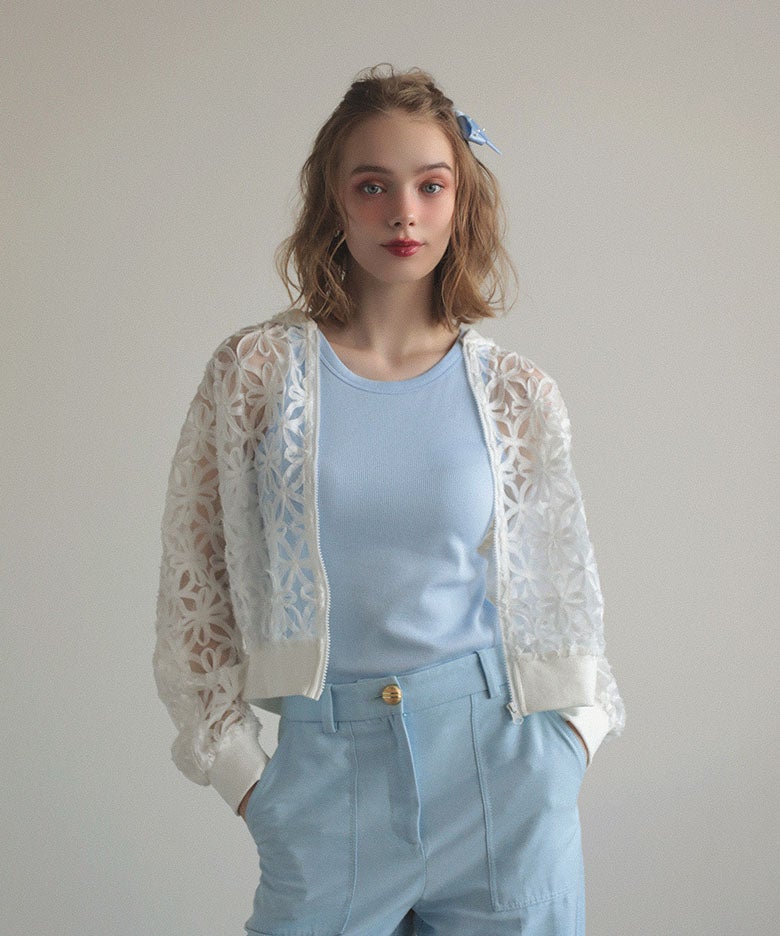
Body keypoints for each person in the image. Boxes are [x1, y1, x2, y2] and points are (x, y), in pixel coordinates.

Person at [154, 65, 625, 936]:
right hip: (327, 780)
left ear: (459, 202)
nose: (403, 213)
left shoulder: (515, 393)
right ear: (333, 202)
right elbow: (196, 585)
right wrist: (248, 781)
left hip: (501, 777)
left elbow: (567, 596)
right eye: (373, 186)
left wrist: (574, 739)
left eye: (429, 185)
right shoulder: (256, 375)